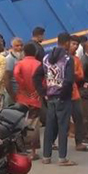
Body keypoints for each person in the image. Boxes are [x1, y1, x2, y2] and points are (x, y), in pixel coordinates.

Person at [33, 32, 77, 166]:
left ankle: (46, 156)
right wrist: (64, 94)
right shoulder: (68, 59)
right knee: (63, 127)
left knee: (49, 127)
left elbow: (35, 76)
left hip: (50, 97)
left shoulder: (46, 58)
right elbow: (69, 80)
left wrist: (43, 93)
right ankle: (62, 158)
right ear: (67, 43)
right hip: (63, 97)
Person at [15, 42, 43, 160]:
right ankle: (33, 151)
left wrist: (23, 86)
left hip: (23, 97)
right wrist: (38, 90)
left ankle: (21, 149)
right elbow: (44, 79)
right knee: (34, 124)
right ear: (35, 52)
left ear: (24, 52)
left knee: (21, 123)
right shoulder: (39, 64)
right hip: (35, 97)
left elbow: (16, 74)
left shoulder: (20, 64)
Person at [68, 36, 88, 152]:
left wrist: (72, 74)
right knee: (58, 120)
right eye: (73, 44)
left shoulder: (77, 59)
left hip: (74, 93)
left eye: (77, 44)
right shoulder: (61, 58)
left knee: (79, 117)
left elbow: (80, 75)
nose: (75, 46)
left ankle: (79, 142)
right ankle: (52, 143)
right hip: (62, 94)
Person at [4, 37, 24, 104]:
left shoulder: (23, 57)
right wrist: (13, 96)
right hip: (15, 93)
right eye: (17, 46)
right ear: (12, 47)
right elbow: (7, 79)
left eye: (21, 45)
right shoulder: (9, 59)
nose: (20, 48)